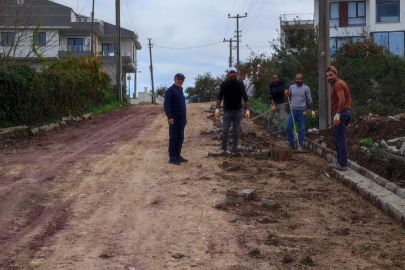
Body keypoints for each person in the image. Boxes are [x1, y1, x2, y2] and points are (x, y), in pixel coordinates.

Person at [215, 67, 250, 154]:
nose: (232, 74)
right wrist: (217, 109)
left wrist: (247, 110)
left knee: (236, 131)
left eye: (234, 73)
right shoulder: (224, 84)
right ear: (228, 74)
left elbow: (245, 98)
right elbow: (219, 97)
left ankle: (234, 149)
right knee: (225, 130)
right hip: (227, 111)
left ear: (236, 73)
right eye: (231, 73)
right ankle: (224, 149)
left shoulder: (240, 85)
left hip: (237, 111)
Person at [326, 66, 352, 171]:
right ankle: (340, 162)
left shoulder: (338, 84)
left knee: (340, 139)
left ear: (336, 74)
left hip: (341, 114)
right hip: (344, 113)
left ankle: (342, 164)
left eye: (331, 75)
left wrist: (337, 114)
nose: (329, 77)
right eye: (327, 76)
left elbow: (342, 100)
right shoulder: (340, 83)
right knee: (337, 138)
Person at [285, 74, 315, 149]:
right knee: (288, 127)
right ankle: (291, 143)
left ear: (302, 79)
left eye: (300, 79)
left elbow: (309, 100)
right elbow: (288, 97)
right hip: (293, 110)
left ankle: (300, 144)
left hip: (302, 111)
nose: (298, 80)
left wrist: (312, 110)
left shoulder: (306, 88)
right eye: (297, 79)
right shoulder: (292, 87)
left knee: (301, 129)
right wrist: (287, 93)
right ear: (295, 79)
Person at [164, 73, 188, 165]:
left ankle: (178, 155)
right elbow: (167, 105)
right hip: (174, 119)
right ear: (174, 79)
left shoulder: (181, 91)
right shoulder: (170, 91)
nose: (180, 81)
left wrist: (185, 117)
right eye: (179, 79)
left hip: (181, 119)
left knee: (180, 138)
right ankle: (172, 157)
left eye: (182, 79)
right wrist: (169, 117)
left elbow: (183, 106)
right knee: (173, 138)